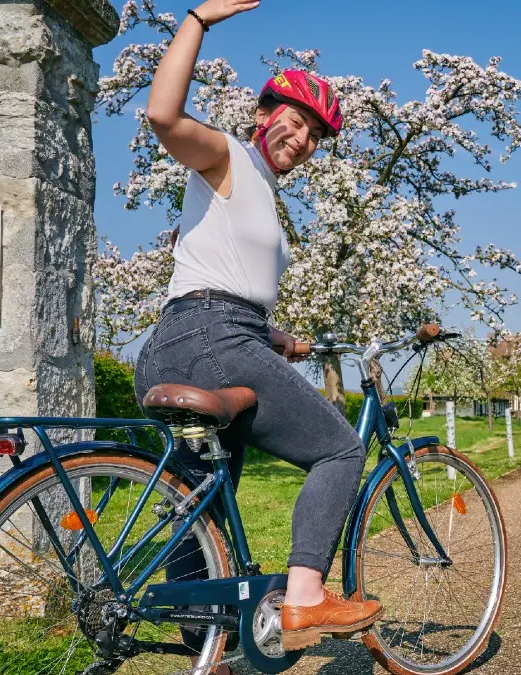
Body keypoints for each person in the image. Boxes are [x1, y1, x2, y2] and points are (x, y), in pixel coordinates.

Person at [130, 0, 381, 662]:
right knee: (340, 451)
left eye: (312, 136)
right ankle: (304, 594)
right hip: (213, 342)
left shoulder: (258, 189)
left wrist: (280, 340)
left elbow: (220, 282)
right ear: (266, 116)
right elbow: (163, 116)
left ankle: (202, 643)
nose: (300, 138)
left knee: (201, 503)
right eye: (293, 123)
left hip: (182, 342)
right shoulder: (228, 157)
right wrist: (198, 20)